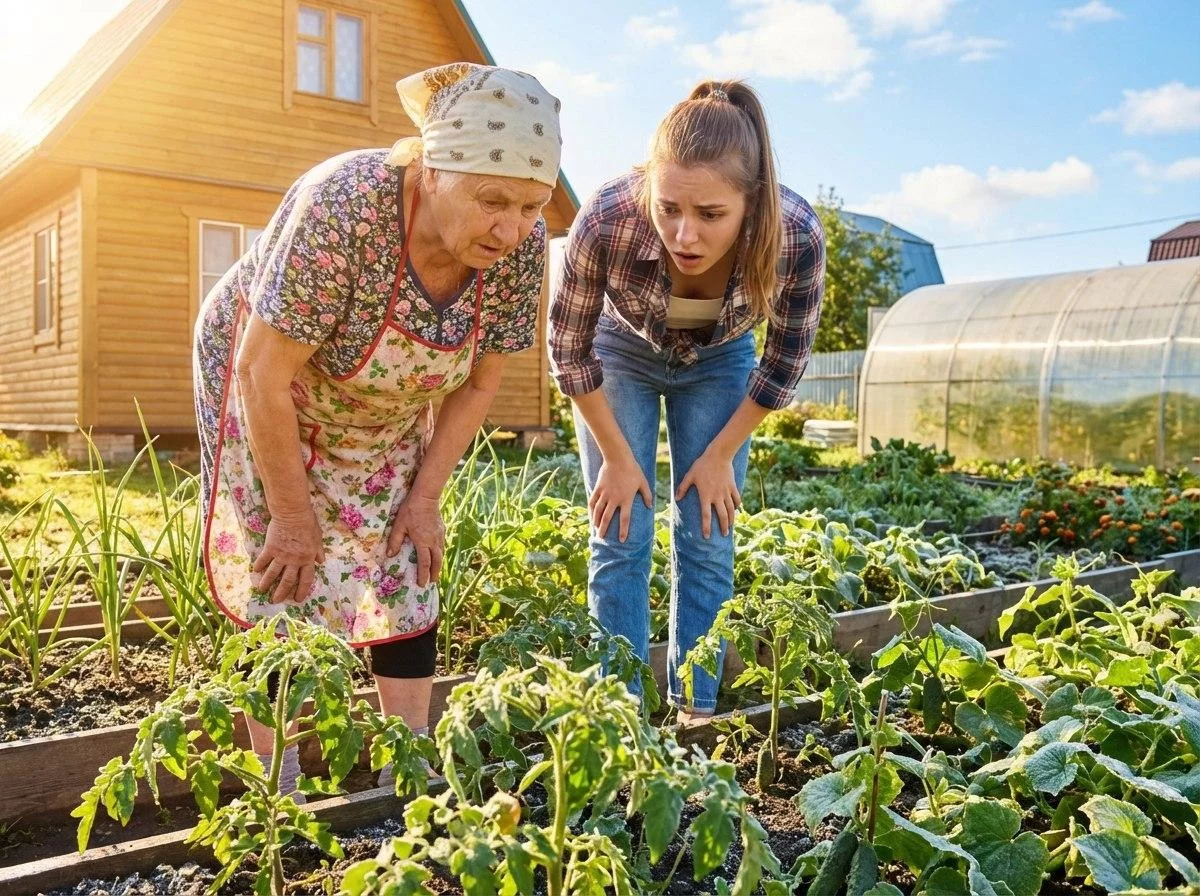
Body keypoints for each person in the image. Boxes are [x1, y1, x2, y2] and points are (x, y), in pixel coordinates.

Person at [194, 62, 562, 792]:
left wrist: (424, 500)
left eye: (531, 206)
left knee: (403, 553)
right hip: (270, 381)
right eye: (492, 200)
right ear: (428, 168)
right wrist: (294, 518)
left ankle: (409, 766)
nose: (512, 228)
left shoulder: (520, 246)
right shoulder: (345, 207)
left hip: (388, 404)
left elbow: (481, 382)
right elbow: (262, 372)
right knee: (286, 570)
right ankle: (282, 782)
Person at [548, 80, 825, 721]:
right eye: (668, 207)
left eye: (710, 215)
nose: (684, 233)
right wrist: (618, 459)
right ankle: (616, 718)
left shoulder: (796, 237)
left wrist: (722, 454)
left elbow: (784, 363)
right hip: (623, 352)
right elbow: (569, 351)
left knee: (707, 534)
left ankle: (695, 711)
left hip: (721, 363)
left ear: (750, 206)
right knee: (620, 532)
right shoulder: (608, 216)